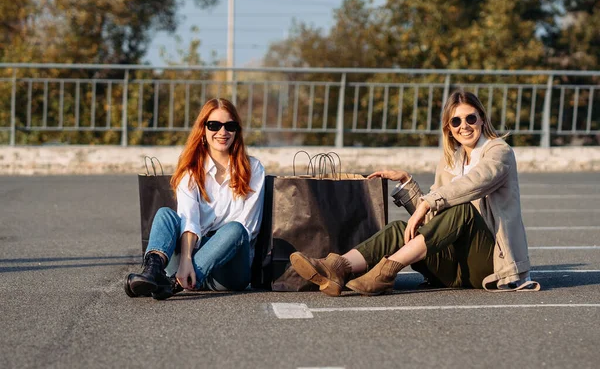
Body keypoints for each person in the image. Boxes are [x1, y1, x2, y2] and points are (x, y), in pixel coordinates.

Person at [290, 90, 539, 296]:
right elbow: (433, 220)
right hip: (455, 267)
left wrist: (427, 202)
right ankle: (337, 268)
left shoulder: (499, 152)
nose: (464, 126)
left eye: (470, 118)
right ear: (449, 128)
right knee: (401, 229)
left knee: (462, 211)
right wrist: (407, 183)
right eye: (456, 121)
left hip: (491, 264)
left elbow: (476, 182)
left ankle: (385, 273)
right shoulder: (452, 161)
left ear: (482, 119)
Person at [125, 98, 265, 300]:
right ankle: (152, 272)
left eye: (230, 126)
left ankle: (171, 284)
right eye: (214, 125)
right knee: (165, 215)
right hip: (186, 265)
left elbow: (249, 228)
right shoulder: (191, 171)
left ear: (237, 131)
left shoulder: (253, 169)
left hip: (228, 271)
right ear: (203, 130)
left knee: (236, 229)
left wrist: (202, 257)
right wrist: (187, 260)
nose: (222, 132)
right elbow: (188, 219)